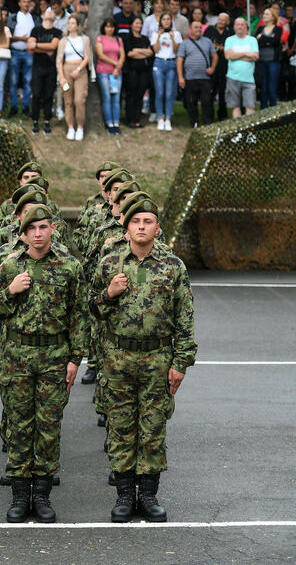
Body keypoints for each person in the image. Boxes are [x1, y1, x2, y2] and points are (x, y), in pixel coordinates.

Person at [90, 196, 196, 522]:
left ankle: (148, 496)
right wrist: (108, 293)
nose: (141, 226)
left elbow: (185, 320)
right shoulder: (109, 264)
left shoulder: (172, 266)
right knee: (121, 429)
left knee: (152, 429)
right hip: (117, 359)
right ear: (127, 227)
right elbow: (91, 309)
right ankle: (124, 496)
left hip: (157, 359)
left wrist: (180, 363)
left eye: (147, 222)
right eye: (135, 221)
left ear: (157, 228)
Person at [0, 205, 86, 523]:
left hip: (55, 358)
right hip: (17, 356)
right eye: (32, 229)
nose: (38, 233)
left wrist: (75, 359)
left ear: (53, 229)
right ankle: (19, 496)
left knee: (48, 428)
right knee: (19, 427)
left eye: (43, 227)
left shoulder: (70, 267)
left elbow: (78, 316)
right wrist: (11, 291)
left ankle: (41, 495)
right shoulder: (8, 265)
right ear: (23, 232)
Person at [24, 7, 61, 134]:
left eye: (53, 12)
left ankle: (46, 120)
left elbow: (53, 46)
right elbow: (30, 48)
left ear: (55, 17)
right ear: (43, 16)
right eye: (48, 11)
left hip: (51, 68)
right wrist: (45, 49)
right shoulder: (36, 30)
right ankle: (34, 120)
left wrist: (37, 46)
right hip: (38, 67)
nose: (50, 13)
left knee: (49, 94)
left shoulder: (57, 32)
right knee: (36, 93)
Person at [57, 14, 93, 140]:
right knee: (68, 101)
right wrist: (62, 77)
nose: (70, 25)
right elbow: (59, 60)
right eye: (69, 23)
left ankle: (80, 127)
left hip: (80, 69)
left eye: (72, 23)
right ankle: (71, 127)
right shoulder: (63, 41)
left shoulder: (84, 39)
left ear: (78, 26)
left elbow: (87, 57)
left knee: (79, 100)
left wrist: (79, 69)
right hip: (66, 69)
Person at [177, 20, 218, 128]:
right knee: (191, 102)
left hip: (205, 78)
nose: (199, 29)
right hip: (190, 78)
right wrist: (180, 77)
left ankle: (207, 123)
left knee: (207, 101)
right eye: (196, 27)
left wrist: (212, 68)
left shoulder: (208, 41)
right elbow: (179, 60)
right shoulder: (184, 43)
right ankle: (194, 122)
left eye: (200, 27)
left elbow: (215, 56)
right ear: (190, 30)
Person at [149, 12, 182, 131]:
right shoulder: (155, 34)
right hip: (159, 63)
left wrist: (172, 38)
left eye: (168, 19)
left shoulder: (176, 34)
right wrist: (158, 36)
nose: (166, 21)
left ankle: (168, 119)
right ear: (160, 21)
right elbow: (156, 50)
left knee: (169, 93)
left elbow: (176, 50)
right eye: (164, 19)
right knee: (160, 93)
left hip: (171, 63)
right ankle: (160, 118)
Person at [7, 0, 38, 117]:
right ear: (19, 3)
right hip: (15, 51)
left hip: (29, 52)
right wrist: (22, 38)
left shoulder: (34, 18)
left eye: (28, 2)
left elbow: (37, 35)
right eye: (24, 2)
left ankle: (26, 107)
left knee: (28, 81)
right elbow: (7, 35)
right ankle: (14, 107)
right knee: (13, 81)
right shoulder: (13, 17)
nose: (26, 4)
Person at [95, 18, 126, 135]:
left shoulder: (119, 39)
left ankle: (116, 123)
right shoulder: (100, 38)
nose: (110, 29)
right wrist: (115, 64)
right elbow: (100, 55)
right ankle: (109, 124)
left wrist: (118, 68)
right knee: (107, 97)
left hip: (117, 73)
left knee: (116, 99)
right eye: (107, 27)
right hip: (103, 71)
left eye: (112, 27)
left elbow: (122, 55)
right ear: (104, 28)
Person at [224, 17, 259, 117]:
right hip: (232, 77)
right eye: (237, 24)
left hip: (248, 79)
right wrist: (246, 53)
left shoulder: (252, 40)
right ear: (234, 27)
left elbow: (255, 56)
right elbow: (228, 56)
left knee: (250, 106)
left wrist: (236, 55)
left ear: (246, 27)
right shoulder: (229, 40)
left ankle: (249, 132)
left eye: (242, 24)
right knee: (235, 106)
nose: (240, 27)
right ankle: (238, 132)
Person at [122, 16, 152, 128]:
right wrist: (143, 52)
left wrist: (137, 51)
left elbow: (150, 53)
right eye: (136, 23)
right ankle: (129, 119)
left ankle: (137, 119)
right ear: (131, 25)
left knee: (140, 95)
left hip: (143, 71)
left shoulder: (145, 38)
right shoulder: (127, 38)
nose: (138, 25)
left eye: (140, 23)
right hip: (131, 70)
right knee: (131, 94)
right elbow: (129, 54)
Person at [204, 13, 232, 120]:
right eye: (219, 19)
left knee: (223, 92)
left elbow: (231, 48)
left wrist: (220, 48)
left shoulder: (230, 32)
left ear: (227, 22)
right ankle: (209, 116)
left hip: (225, 66)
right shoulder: (209, 30)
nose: (220, 21)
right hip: (212, 65)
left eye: (223, 20)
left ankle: (222, 116)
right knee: (210, 92)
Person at [255, 7, 284, 109]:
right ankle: (263, 112)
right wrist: (269, 40)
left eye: (267, 14)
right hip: (261, 62)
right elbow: (256, 42)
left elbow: (276, 41)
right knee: (263, 87)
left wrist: (262, 38)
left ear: (272, 17)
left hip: (273, 62)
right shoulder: (259, 29)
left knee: (272, 87)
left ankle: (273, 113)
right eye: (264, 14)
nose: (264, 16)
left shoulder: (278, 29)